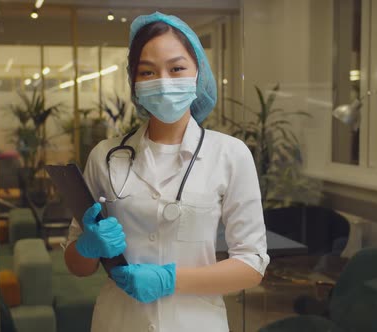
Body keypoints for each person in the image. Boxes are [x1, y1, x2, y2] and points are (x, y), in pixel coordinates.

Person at [63, 12, 269, 332]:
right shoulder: (105, 156)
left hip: (196, 322)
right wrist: (89, 246)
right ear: (134, 81)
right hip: (119, 320)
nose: (164, 81)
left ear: (198, 73)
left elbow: (251, 265)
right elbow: (77, 266)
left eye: (176, 68)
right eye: (148, 71)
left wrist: (168, 280)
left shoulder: (230, 154)